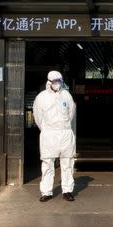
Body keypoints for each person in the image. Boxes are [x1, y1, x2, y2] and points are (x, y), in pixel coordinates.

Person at [32, 70, 77, 202]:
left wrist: (63, 127)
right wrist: (47, 129)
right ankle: (46, 192)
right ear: (49, 82)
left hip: (65, 133)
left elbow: (71, 114)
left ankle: (67, 190)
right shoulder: (41, 97)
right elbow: (38, 117)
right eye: (56, 81)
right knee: (47, 164)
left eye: (60, 81)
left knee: (67, 163)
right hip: (49, 134)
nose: (58, 84)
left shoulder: (66, 95)